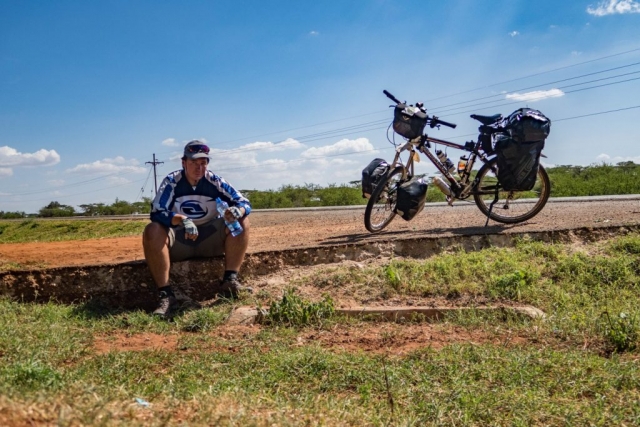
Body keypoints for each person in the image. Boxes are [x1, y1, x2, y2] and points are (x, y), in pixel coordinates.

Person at [143, 140, 252, 318]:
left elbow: (243, 202)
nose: (198, 168)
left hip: (209, 238)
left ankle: (230, 280)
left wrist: (237, 210)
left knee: (243, 221)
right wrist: (181, 219)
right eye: (193, 162)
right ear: (183, 162)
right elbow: (157, 212)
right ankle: (166, 295)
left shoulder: (215, 181)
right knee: (152, 230)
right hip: (180, 240)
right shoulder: (172, 181)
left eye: (203, 163)